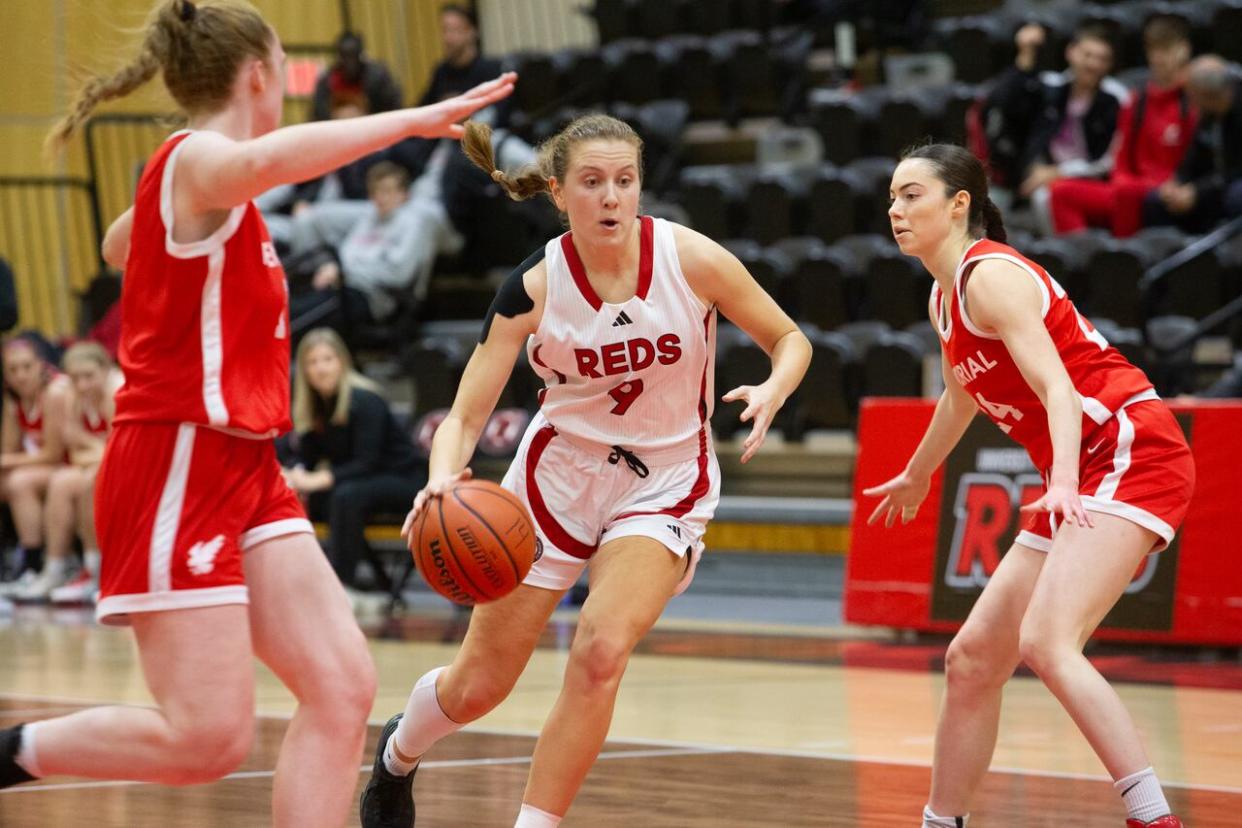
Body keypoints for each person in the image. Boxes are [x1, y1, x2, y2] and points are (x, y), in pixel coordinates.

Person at [0, 2, 514, 825]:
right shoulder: (200, 158)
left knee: (342, 682)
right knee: (207, 740)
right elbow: (270, 161)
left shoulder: (204, 185)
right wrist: (414, 121)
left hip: (247, 465)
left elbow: (114, 244)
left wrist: (159, 222)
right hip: (176, 461)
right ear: (260, 76)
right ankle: (10, 755)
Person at [359, 114, 812, 828]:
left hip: (664, 479)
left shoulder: (689, 258)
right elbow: (465, 419)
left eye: (624, 182)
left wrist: (774, 387)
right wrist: (442, 477)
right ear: (559, 192)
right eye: (593, 183)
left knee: (600, 649)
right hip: (558, 479)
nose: (611, 198)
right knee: (479, 688)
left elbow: (789, 337)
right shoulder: (533, 288)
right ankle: (398, 755)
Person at [866, 143, 1193, 828]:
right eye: (892, 197)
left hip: (1131, 448)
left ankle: (1153, 817)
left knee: (1048, 642)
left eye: (911, 196)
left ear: (960, 204)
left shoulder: (991, 278)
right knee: (973, 658)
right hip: (1085, 467)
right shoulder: (943, 296)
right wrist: (918, 472)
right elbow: (960, 396)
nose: (895, 210)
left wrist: (1065, 482)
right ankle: (939, 822)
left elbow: (1060, 393)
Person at [286, 328, 425, 602]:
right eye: (312, 362)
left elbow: (367, 462)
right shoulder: (315, 406)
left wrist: (319, 479)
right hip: (361, 483)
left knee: (344, 496)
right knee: (314, 500)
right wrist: (298, 472)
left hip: (405, 479)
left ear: (342, 362)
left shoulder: (365, 399)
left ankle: (341, 587)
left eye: (327, 359)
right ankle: (303, 585)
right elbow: (306, 456)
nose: (321, 368)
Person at [1048, 14, 1197, 237]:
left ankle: (1122, 260)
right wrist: (1125, 183)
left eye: (1166, 50)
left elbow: (1197, 162)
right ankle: (1086, 260)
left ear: (1184, 51)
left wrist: (1176, 186)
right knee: (1061, 192)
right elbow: (1121, 163)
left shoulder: (1194, 102)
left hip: (1171, 190)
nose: (1157, 58)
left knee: (1126, 193)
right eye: (1153, 50)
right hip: (1135, 188)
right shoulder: (1137, 101)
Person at [15, 342, 120, 604]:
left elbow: (118, 452)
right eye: (75, 378)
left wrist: (93, 449)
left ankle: (100, 572)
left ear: (106, 370)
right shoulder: (73, 396)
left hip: (126, 466)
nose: (82, 384)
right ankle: (56, 568)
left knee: (89, 480)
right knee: (62, 482)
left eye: (89, 376)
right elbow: (74, 452)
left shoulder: (115, 392)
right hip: (96, 464)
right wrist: (97, 449)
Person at [0, 337, 71, 597]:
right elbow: (9, 448)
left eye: (26, 367)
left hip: (65, 465)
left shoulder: (55, 392)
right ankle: (13, 560)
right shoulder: (13, 401)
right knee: (11, 481)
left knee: (19, 483)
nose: (20, 375)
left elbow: (53, 454)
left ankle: (35, 565)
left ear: (41, 365)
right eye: (13, 369)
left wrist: (7, 462)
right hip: (40, 467)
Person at [1142, 55, 1242, 233]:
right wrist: (1177, 183)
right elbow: (1194, 155)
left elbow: (1235, 170)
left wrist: (1197, 191)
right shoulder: (1208, 112)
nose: (1188, 100)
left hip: (1230, 183)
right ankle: (1172, 250)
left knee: (1237, 195)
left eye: (1190, 94)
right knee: (1155, 200)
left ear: (1206, 95)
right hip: (1210, 185)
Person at [311, 30, 402, 121]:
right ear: (339, 56)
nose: (350, 62)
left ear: (361, 54)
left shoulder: (377, 77)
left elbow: (393, 107)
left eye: (353, 55)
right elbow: (318, 113)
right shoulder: (328, 80)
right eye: (345, 56)